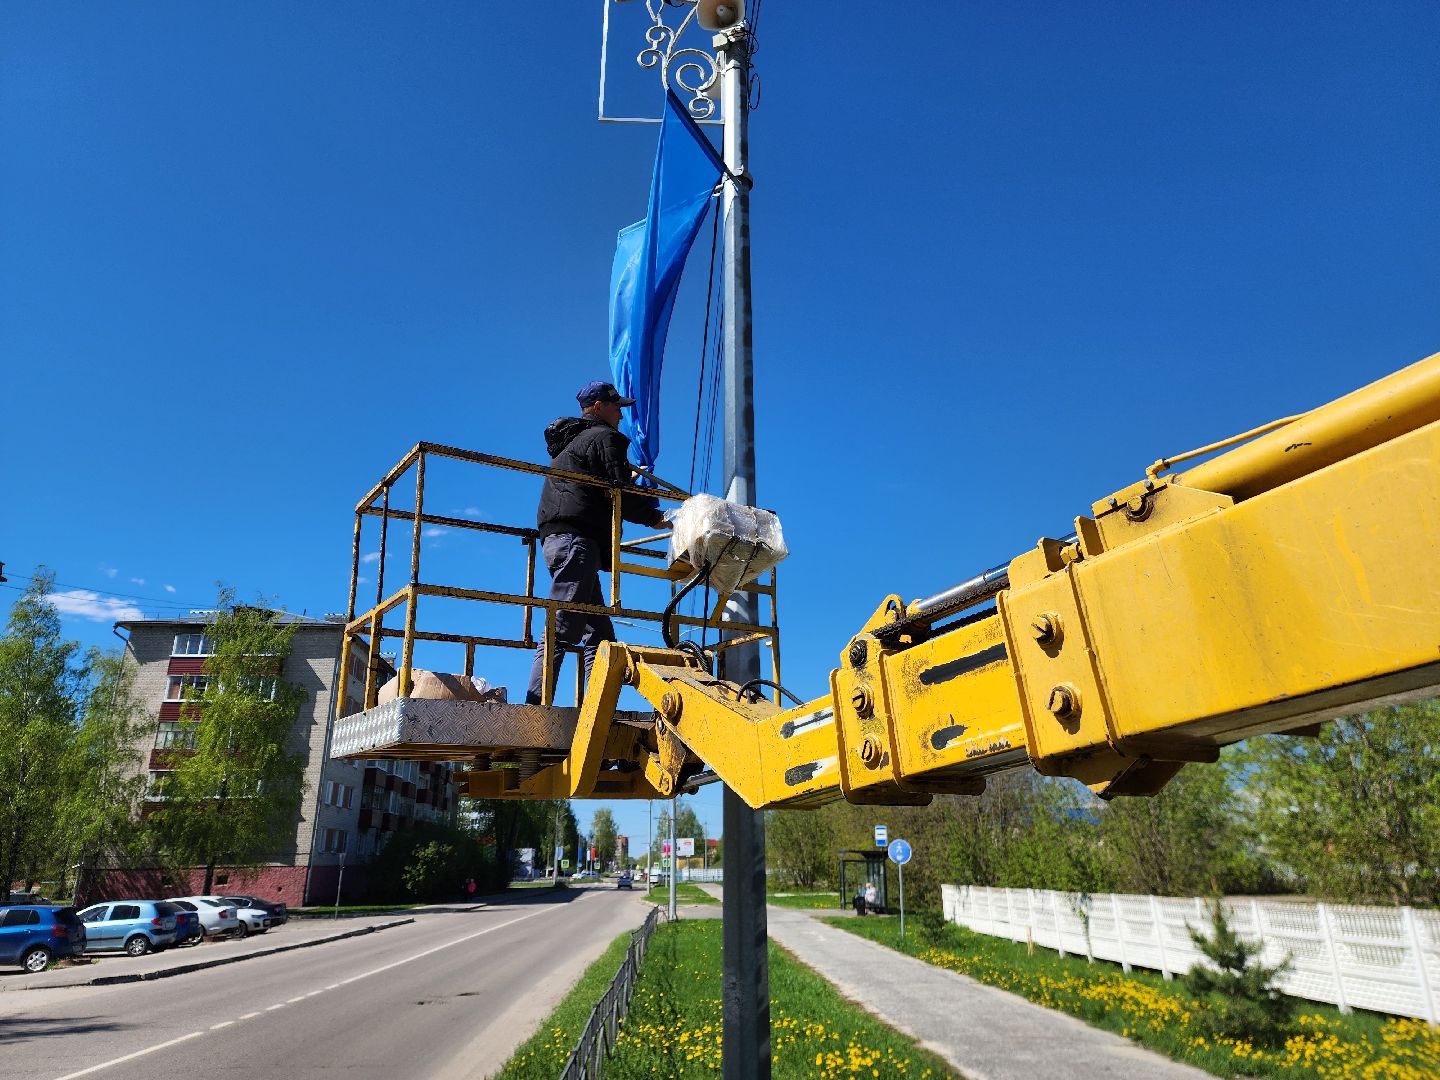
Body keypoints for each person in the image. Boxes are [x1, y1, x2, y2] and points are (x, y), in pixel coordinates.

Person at [526, 381, 668, 705]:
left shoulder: (572, 443)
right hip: (577, 543)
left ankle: (596, 711)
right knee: (562, 627)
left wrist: (625, 480)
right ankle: (533, 709)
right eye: (616, 406)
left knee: (600, 637)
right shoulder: (605, 437)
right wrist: (655, 517)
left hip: (560, 540)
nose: (621, 413)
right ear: (599, 407)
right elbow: (619, 495)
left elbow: (601, 485)